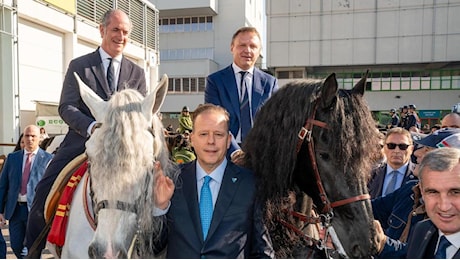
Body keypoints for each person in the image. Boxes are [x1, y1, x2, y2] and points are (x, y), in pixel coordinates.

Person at [25, 9, 147, 258]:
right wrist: (92, 127)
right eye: (115, 30)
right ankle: (34, 250)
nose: (120, 36)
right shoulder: (79, 66)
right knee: (43, 192)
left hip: (124, 152)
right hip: (82, 143)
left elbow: (142, 115)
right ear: (102, 30)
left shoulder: (138, 73)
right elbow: (66, 106)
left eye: (125, 32)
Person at [155, 103, 274, 258]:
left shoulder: (249, 184)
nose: (211, 141)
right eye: (203, 134)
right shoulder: (172, 180)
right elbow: (154, 247)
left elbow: (262, 251)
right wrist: (160, 208)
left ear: (228, 140)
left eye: (218, 134)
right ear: (192, 139)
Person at [373, 128, 460, 258]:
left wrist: (383, 244)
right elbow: (371, 208)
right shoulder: (411, 192)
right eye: (432, 192)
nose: (417, 153)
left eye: (427, 150)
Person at [205, 26, 279, 157]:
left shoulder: (270, 83)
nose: (247, 50)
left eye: (253, 46)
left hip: (260, 155)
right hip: (226, 153)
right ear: (232, 47)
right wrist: (235, 152)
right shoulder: (215, 81)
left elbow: (275, 123)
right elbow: (214, 121)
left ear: (259, 51)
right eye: (242, 45)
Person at [0, 125, 53, 258]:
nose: (29, 139)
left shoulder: (48, 159)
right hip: (15, 210)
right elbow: (2, 185)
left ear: (39, 138)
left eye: (33, 136)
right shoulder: (12, 158)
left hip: (36, 211)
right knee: (16, 245)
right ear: (23, 137)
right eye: (27, 136)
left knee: (34, 247)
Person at [406, 147, 460, 258]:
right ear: (421, 191)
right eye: (433, 192)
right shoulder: (421, 230)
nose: (444, 206)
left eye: (455, 192)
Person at [368, 127, 416, 198]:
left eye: (402, 146)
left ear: (411, 149)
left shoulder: (419, 176)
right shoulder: (371, 175)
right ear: (384, 148)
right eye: (391, 146)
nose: (396, 151)